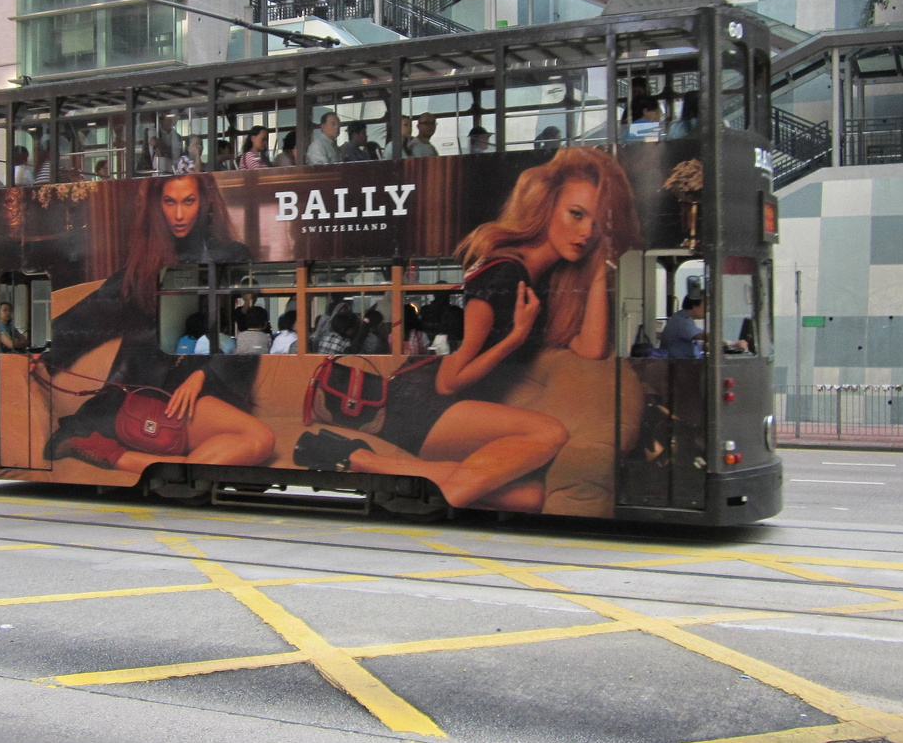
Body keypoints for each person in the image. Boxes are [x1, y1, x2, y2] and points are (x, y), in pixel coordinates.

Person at [294, 147, 639, 512]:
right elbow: (448, 379)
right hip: (421, 403)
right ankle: (398, 483)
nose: (586, 232)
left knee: (532, 497)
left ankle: (372, 464)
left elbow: (592, 348)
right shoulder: (504, 272)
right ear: (547, 204)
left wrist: (603, 263)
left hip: (455, 408)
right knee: (550, 433)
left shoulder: (549, 280)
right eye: (576, 214)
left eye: (598, 224)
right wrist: (516, 338)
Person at [39, 173, 269, 472]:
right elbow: (94, 311)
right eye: (169, 202)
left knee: (256, 440)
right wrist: (42, 347)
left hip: (206, 387)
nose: (178, 215)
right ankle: (146, 463)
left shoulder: (232, 256)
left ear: (206, 201)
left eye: (189, 201)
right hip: (148, 394)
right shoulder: (146, 263)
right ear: (156, 206)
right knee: (260, 438)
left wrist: (203, 376)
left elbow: (254, 330)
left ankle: (121, 458)